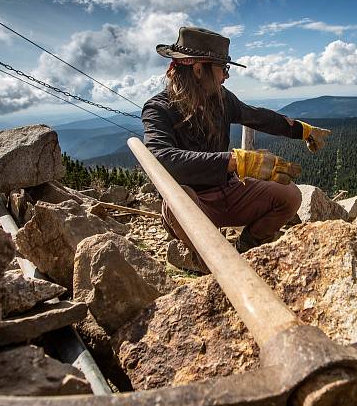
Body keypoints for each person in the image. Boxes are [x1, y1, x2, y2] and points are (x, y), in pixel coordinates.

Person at [141, 26, 330, 261]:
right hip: (194, 203)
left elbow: (256, 116)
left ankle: (247, 247)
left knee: (289, 195)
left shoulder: (221, 98)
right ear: (199, 69)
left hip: (228, 190)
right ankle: (209, 262)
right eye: (223, 68)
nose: (226, 76)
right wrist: (234, 161)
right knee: (178, 200)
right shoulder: (158, 109)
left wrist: (302, 130)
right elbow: (160, 159)